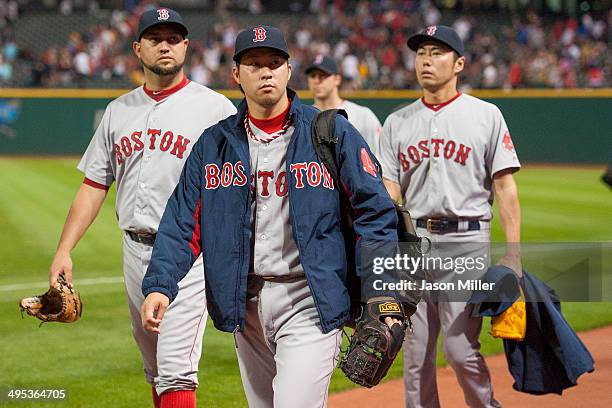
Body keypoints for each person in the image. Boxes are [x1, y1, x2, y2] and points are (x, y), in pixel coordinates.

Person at [140, 25, 404, 407]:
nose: (265, 72)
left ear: (288, 70)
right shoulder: (214, 144)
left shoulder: (329, 133)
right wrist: (161, 283)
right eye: (254, 63)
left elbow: (375, 212)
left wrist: (381, 289)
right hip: (244, 303)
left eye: (274, 63)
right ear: (236, 75)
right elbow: (183, 221)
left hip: (310, 298)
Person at [47, 8, 236, 408]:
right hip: (134, 250)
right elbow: (94, 185)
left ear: (186, 46)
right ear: (138, 48)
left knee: (175, 369)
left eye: (173, 37)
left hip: (189, 252)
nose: (164, 45)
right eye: (155, 38)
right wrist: (64, 250)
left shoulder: (216, 109)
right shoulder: (119, 111)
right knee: (154, 368)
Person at [379, 25, 522, 408]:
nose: (426, 59)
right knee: (415, 355)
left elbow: (506, 187)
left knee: (461, 350)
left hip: (467, 244)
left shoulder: (485, 115)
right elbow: (391, 192)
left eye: (437, 52)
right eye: (421, 52)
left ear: (459, 63)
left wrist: (514, 255)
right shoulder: (396, 123)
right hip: (414, 247)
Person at [306, 54, 382, 158]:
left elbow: (380, 158)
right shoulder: (305, 118)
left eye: (323, 75)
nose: (317, 80)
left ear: (337, 79)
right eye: (312, 76)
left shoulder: (363, 115)